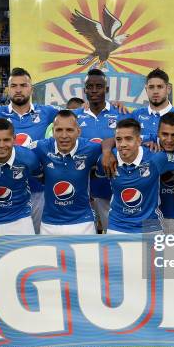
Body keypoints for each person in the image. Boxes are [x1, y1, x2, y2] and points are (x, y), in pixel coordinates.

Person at [0, 67, 60, 233]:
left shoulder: (47, 112)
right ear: (8, 89)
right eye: (14, 86)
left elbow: (77, 118)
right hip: (7, 193)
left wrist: (105, 106)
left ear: (31, 88)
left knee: (38, 243)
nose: (18, 90)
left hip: (39, 192)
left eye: (23, 85)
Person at [72, 69, 132, 232]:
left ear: (106, 89)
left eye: (98, 86)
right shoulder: (74, 116)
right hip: (81, 186)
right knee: (85, 237)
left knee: (111, 232)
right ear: (84, 90)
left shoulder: (121, 113)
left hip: (110, 185)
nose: (94, 90)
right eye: (90, 86)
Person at [30, 110, 107, 235]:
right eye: (59, 130)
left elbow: (111, 143)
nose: (64, 135)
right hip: (49, 224)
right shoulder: (41, 147)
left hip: (83, 223)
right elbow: (16, 152)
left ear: (78, 132)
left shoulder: (91, 148)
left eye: (69, 130)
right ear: (53, 132)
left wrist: (108, 152)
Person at [96, 119, 174, 234]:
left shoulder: (157, 158)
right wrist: (106, 152)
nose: (123, 144)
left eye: (128, 139)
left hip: (150, 227)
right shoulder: (106, 159)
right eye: (119, 139)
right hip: (117, 226)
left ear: (139, 141)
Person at [131, 68, 174, 136]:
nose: (155, 91)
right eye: (151, 87)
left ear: (168, 89)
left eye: (160, 87)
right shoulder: (136, 115)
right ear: (146, 89)